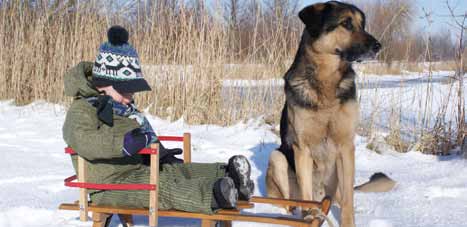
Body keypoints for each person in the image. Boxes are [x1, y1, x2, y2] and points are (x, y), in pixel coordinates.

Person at [62, 26, 254, 215]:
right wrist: (122, 144)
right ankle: (214, 195)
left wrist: (161, 153)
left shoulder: (124, 108)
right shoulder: (82, 109)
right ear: (103, 84)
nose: (129, 98)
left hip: (137, 170)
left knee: (175, 171)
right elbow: (83, 139)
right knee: (161, 188)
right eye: (123, 91)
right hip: (108, 185)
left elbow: (143, 134)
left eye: (131, 91)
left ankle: (230, 177)